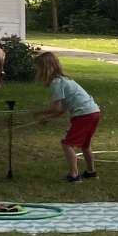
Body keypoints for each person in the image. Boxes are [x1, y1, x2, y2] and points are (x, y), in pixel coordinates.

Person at [32, 51, 102, 181]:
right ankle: (91, 172)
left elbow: (56, 108)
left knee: (67, 144)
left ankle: (74, 175)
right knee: (85, 144)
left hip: (84, 114)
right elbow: (61, 110)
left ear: (45, 69)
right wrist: (47, 118)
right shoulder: (65, 80)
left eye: (38, 69)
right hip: (94, 112)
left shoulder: (56, 83)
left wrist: (40, 113)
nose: (37, 72)